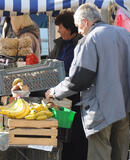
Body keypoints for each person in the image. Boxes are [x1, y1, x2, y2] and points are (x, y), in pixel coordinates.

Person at [45, 3, 130, 160]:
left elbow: (78, 80)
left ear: (85, 22)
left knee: (100, 154)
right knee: (120, 155)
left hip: (101, 109)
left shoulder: (89, 40)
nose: (79, 31)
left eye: (79, 26)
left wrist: (54, 91)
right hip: (125, 107)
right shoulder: (125, 34)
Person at [49, 10, 87, 160]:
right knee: (65, 136)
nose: (58, 30)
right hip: (61, 95)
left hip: (77, 96)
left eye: (61, 27)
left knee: (77, 136)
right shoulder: (59, 44)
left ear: (70, 27)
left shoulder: (81, 43)